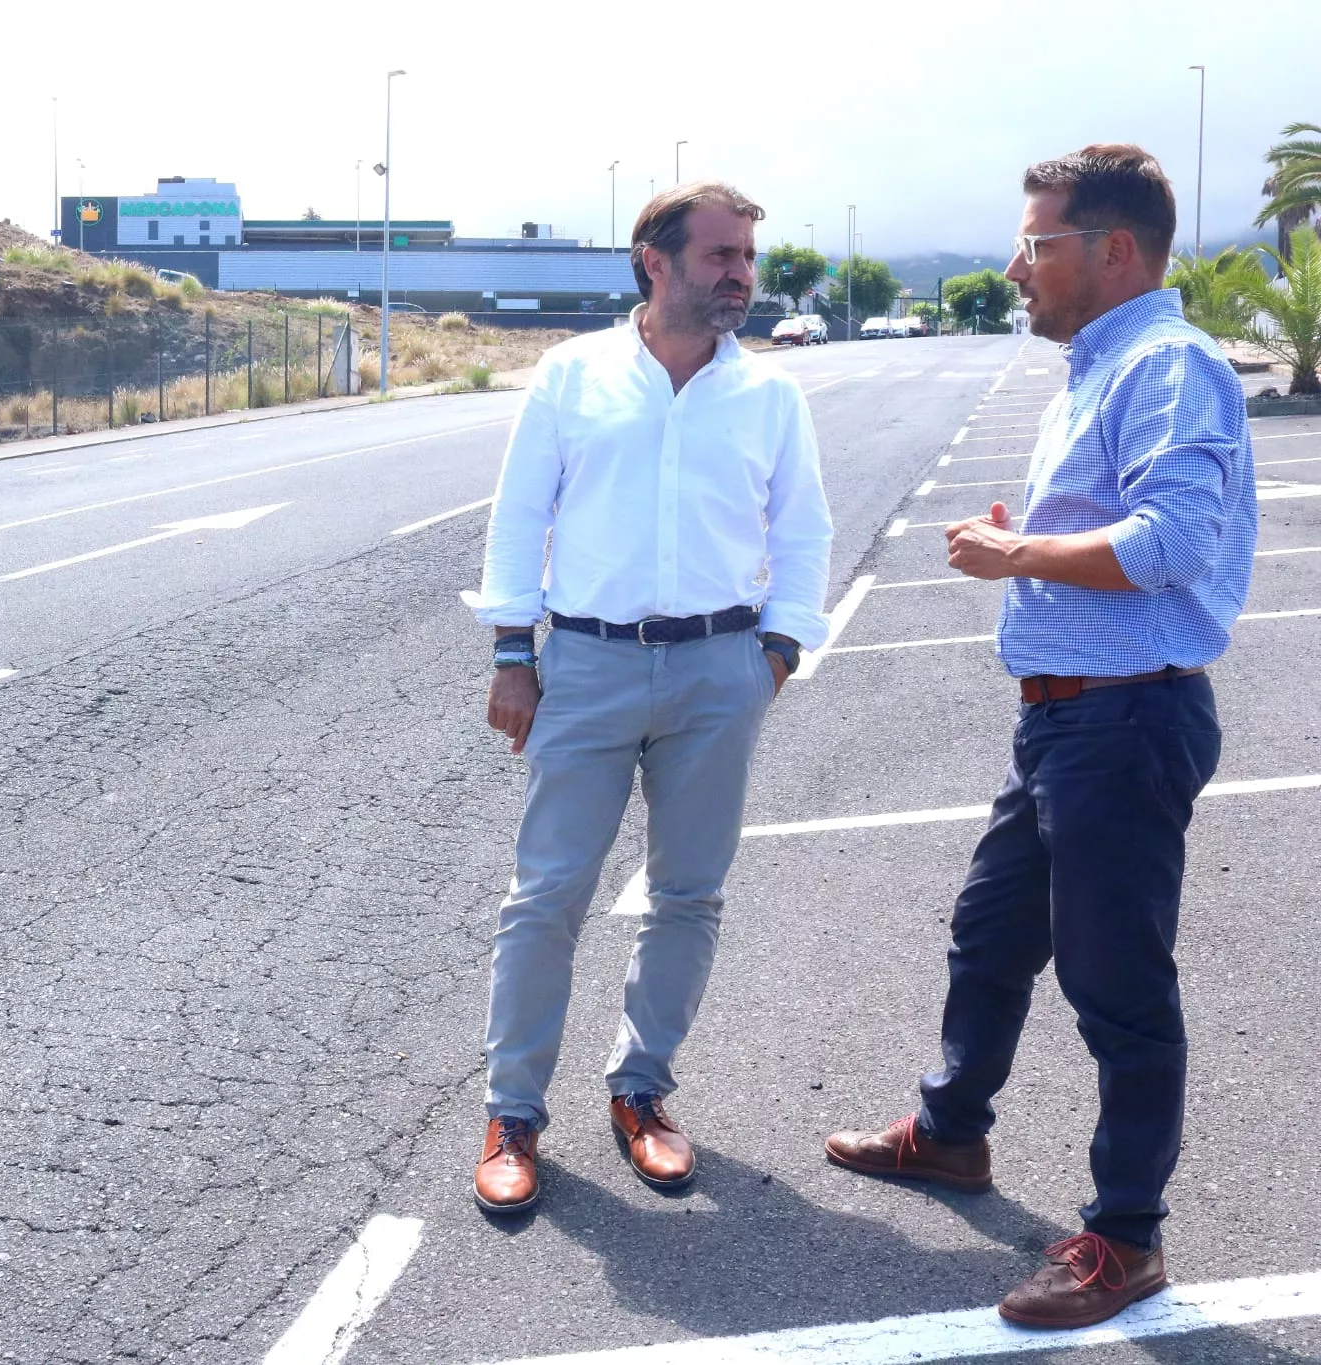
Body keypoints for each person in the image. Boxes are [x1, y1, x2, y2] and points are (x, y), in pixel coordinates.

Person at [825, 144, 1256, 1329]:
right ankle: (951, 1133)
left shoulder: (1165, 364)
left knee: (1117, 985)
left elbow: (1170, 542)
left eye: (1036, 243)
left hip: (1124, 721)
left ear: (1111, 250)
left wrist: (1015, 554)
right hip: (1066, 719)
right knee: (990, 934)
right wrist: (1042, 535)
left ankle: (1125, 1238)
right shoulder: (1103, 363)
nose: (1015, 266)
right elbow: (1118, 522)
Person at [466, 183, 833, 1213]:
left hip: (720, 667)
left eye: (747, 257)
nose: (739, 274)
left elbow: (801, 532)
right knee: (545, 895)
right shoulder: (570, 375)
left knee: (687, 896)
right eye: (720, 253)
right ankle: (512, 1113)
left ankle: (640, 1092)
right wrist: (509, 649)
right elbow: (518, 514)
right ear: (654, 261)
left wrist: (778, 654)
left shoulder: (767, 395)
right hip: (584, 665)